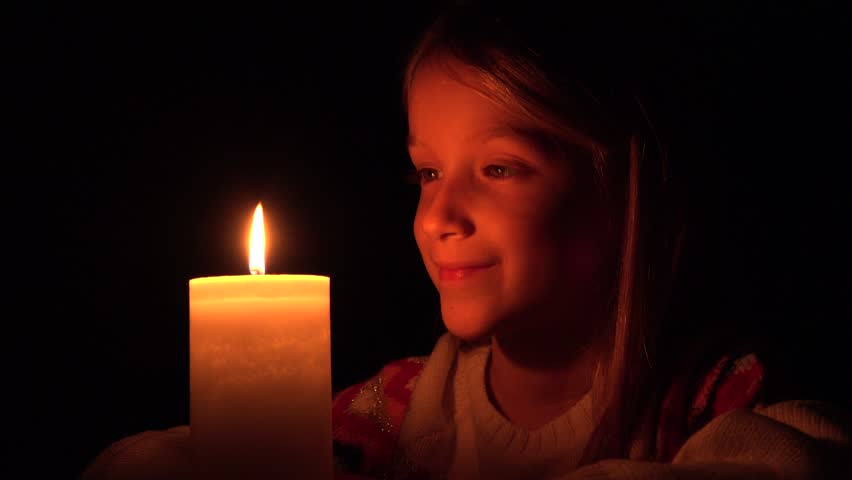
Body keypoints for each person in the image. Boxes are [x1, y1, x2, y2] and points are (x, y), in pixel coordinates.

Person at [83, 2, 851, 479]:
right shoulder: (388, 415)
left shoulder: (714, 402)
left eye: (498, 167)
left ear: (622, 193)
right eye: (426, 173)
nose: (439, 214)